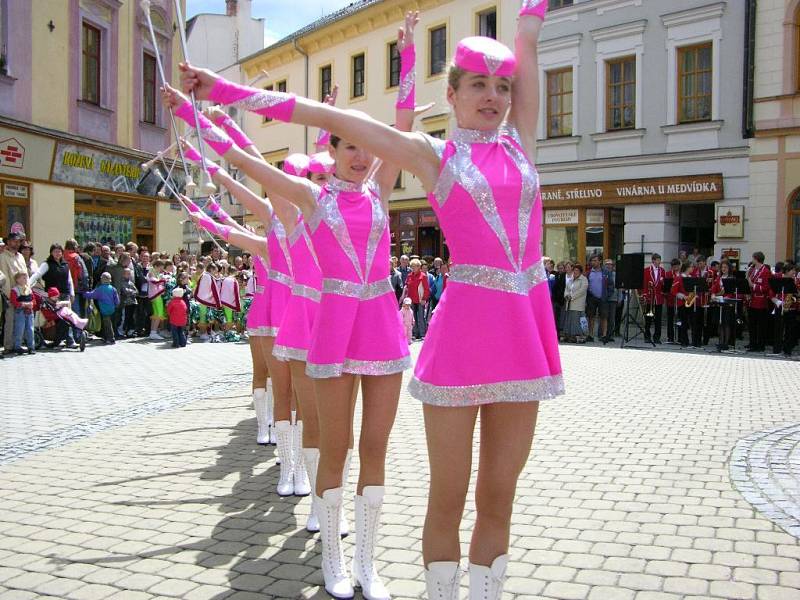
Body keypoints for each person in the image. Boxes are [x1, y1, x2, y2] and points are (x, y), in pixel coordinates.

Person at [29, 243, 76, 348]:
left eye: (59, 251)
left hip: (65, 295)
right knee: (56, 318)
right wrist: (27, 285)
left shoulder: (65, 264)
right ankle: (58, 340)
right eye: (55, 251)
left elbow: (70, 280)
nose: (58, 253)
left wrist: (72, 293)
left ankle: (69, 340)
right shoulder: (47, 264)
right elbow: (37, 275)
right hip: (52, 296)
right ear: (51, 253)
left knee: (67, 317)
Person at [0, 231, 27, 353]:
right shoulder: (3, 256)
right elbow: (4, 277)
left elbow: (25, 275)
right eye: (14, 241)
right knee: (10, 321)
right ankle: (8, 346)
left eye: (18, 241)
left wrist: (27, 293)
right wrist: (10, 296)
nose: (17, 244)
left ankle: (18, 344)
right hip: (10, 294)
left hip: (22, 294)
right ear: (8, 242)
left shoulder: (20, 256)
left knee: (20, 321)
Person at [82, 271, 120, 344]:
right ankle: (107, 337)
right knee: (109, 323)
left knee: (107, 324)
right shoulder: (113, 288)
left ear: (102, 279)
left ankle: (111, 338)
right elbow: (117, 300)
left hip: (104, 310)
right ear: (110, 280)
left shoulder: (100, 289)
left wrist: (84, 293)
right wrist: (116, 305)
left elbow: (91, 295)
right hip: (112, 309)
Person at [746, 252, 770, 352]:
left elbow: (767, 288)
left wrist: (753, 285)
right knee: (752, 325)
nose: (752, 261)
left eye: (753, 259)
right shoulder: (753, 270)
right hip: (752, 301)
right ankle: (752, 344)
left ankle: (760, 345)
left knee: (760, 326)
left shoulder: (766, 271)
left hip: (761, 302)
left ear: (756, 259)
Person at [10, 271, 36, 354]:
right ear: (17, 280)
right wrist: (24, 304)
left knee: (30, 329)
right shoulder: (15, 290)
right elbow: (13, 301)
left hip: (29, 312)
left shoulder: (28, 289)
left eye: (26, 278)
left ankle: (31, 347)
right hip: (20, 312)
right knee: (19, 329)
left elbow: (33, 299)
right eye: (23, 278)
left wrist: (32, 304)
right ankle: (17, 347)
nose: (25, 280)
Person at [642, 253, 666, 344]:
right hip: (650, 297)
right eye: (657, 260)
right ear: (653, 260)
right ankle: (647, 336)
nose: (659, 262)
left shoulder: (662, 270)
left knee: (658, 319)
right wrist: (644, 295)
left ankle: (657, 337)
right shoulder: (647, 270)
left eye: (659, 260)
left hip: (658, 298)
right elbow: (644, 284)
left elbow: (664, 284)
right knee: (648, 318)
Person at [406, 257, 430, 340]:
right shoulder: (409, 275)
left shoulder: (423, 276)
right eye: (412, 266)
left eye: (415, 266)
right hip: (411, 300)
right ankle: (415, 334)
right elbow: (407, 287)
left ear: (419, 267)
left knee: (420, 316)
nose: (413, 267)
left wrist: (424, 299)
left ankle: (422, 334)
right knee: (413, 317)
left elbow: (426, 289)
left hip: (420, 300)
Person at [562, 264, 588, 343]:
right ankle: (570, 336)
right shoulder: (571, 279)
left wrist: (571, 296)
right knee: (569, 320)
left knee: (576, 321)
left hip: (578, 304)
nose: (575, 272)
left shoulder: (584, 279)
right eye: (574, 270)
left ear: (580, 272)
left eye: (577, 270)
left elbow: (582, 291)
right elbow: (566, 289)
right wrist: (566, 295)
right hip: (569, 304)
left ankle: (579, 336)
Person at [602, 258, 619, 344]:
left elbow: (618, 288)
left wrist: (620, 298)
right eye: (607, 264)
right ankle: (602, 335)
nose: (609, 266)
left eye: (611, 264)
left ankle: (610, 335)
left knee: (612, 319)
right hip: (604, 299)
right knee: (603, 317)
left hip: (613, 299)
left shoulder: (616, 275)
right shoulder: (602, 274)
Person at [665, 258, 681, 343]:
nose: (676, 268)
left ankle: (679, 337)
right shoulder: (668, 274)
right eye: (674, 266)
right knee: (670, 319)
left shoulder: (681, 274)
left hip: (679, 300)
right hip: (671, 300)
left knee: (679, 319)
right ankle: (670, 337)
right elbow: (666, 287)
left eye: (677, 266)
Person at [119, 267, 139, 338]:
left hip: (133, 302)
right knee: (124, 317)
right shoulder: (121, 282)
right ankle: (121, 332)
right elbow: (125, 291)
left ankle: (130, 331)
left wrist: (131, 291)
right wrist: (131, 291)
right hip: (125, 303)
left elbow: (136, 292)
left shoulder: (131, 282)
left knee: (132, 318)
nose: (129, 275)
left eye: (129, 274)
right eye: (127, 274)